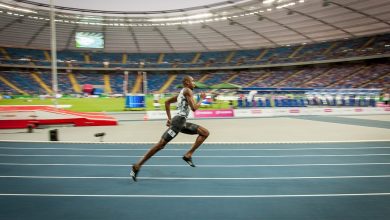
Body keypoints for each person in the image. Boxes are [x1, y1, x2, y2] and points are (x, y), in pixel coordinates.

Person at [130, 75, 210, 182]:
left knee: (205, 133)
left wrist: (169, 119)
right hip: (178, 123)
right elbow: (194, 108)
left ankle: (188, 154)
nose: (194, 83)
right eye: (192, 81)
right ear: (186, 82)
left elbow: (167, 102)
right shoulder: (187, 91)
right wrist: (202, 99)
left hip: (181, 122)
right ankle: (137, 165)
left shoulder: (182, 93)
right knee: (160, 145)